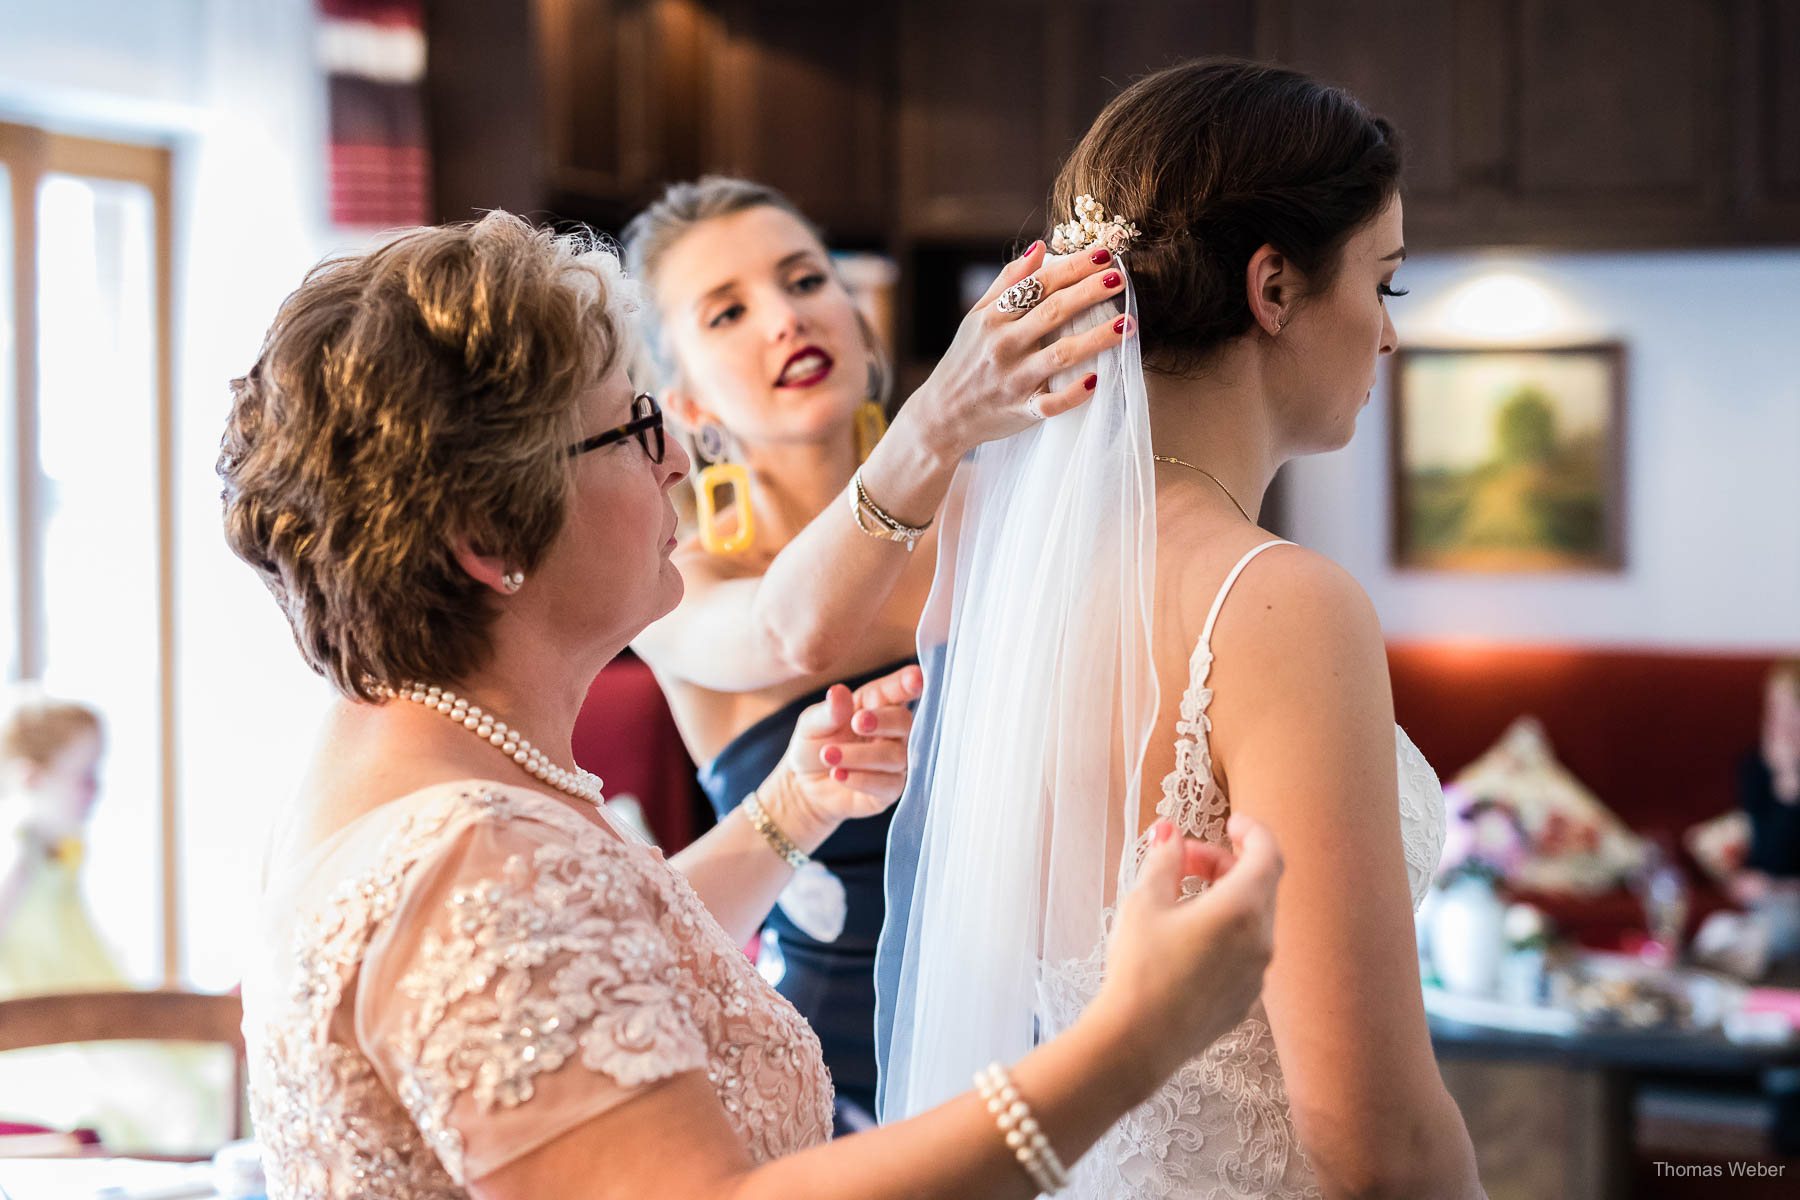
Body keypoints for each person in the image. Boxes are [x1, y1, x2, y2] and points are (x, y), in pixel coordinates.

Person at [226, 211, 1284, 1198]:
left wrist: (790, 810)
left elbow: (594, 971)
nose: (677, 459)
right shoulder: (473, 857)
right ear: (489, 541)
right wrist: (1138, 1037)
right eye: (632, 429)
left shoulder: (410, 774)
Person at [877, 59, 1486, 1198]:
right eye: (1386, 284)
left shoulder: (1028, 579)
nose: (1390, 338)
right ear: (1273, 287)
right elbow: (1376, 1140)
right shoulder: (1278, 603)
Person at [623, 176, 1127, 1126]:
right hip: (835, 1088)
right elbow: (794, 629)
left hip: (1073, 1046)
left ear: (854, 317)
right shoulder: (672, 579)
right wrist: (936, 422)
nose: (784, 318)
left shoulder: (999, 513)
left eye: (805, 280)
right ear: (682, 400)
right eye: (728, 311)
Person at [0, 691, 228, 1151]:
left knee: (190, 1085)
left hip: (83, 996)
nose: (94, 790)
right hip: (49, 1011)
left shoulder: (52, 846)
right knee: (166, 1101)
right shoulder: (20, 847)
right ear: (32, 778)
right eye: (82, 776)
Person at [1730, 660, 1800, 958]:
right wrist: (1784, 781)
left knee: (1778, 928)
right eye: (1775, 710)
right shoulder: (1757, 767)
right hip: (1773, 902)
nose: (1783, 723)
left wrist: (1789, 784)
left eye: (1794, 711)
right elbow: (1767, 855)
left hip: (1783, 898)